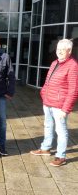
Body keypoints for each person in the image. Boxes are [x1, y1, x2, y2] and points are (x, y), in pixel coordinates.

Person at [30, 39, 78, 167]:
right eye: (58, 49)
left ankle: (61, 156)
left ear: (69, 51)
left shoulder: (73, 65)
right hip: (48, 102)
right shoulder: (54, 63)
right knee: (48, 126)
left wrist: (65, 109)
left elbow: (74, 90)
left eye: (63, 49)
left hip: (60, 106)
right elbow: (47, 81)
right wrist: (43, 94)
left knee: (61, 130)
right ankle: (45, 148)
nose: (60, 52)